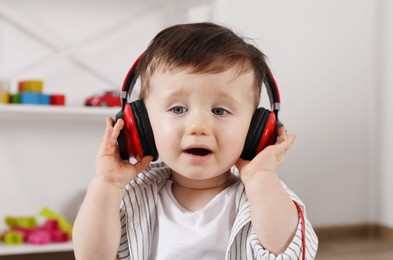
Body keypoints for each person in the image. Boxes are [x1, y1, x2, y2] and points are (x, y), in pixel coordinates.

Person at [73, 22, 318, 260]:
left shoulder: (262, 193)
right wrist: (107, 184)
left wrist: (261, 176)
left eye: (220, 111)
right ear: (142, 124)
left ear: (257, 129)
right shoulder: (131, 194)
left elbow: (289, 253)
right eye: (178, 109)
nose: (198, 127)